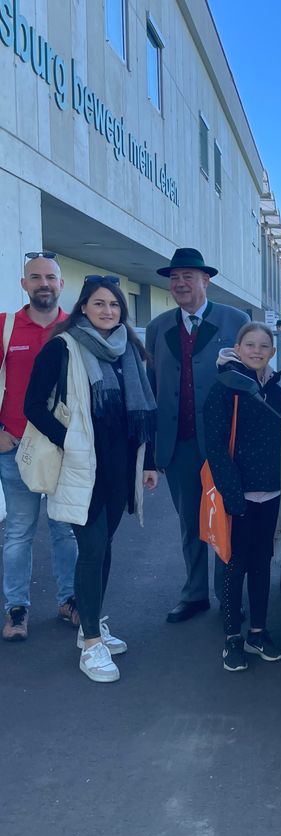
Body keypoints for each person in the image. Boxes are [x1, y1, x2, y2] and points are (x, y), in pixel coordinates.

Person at [24, 276, 158, 682]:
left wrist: (148, 461)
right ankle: (91, 644)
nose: (107, 311)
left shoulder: (128, 348)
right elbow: (33, 405)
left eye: (114, 305)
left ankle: (91, 624)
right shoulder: (62, 349)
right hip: (83, 467)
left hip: (120, 466)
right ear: (83, 307)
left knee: (106, 547)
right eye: (99, 304)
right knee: (93, 547)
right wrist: (72, 441)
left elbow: (144, 410)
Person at [146, 248, 249, 623]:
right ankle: (193, 594)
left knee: (225, 518)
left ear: (206, 280)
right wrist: (151, 453)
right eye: (175, 277)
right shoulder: (159, 327)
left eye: (188, 276)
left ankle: (227, 594)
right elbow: (154, 387)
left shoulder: (234, 320)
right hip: (179, 443)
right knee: (190, 522)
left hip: (225, 442)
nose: (180, 283)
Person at [1, 253, 78, 641]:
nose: (43, 283)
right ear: (24, 284)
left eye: (50, 277)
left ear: (61, 285)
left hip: (64, 448)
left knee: (65, 530)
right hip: (14, 447)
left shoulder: (76, 328)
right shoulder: (5, 327)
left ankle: (70, 600)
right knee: (19, 532)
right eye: (36, 277)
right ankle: (16, 609)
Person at [203, 323, 281, 671]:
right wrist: (233, 494)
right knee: (234, 565)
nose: (256, 350)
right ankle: (232, 637)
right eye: (249, 344)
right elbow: (216, 448)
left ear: (272, 351)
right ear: (237, 348)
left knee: (262, 562)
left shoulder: (280, 389)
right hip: (237, 494)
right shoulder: (224, 389)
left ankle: (258, 631)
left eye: (263, 345)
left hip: (272, 493)